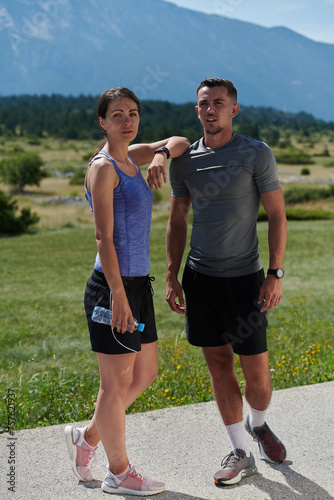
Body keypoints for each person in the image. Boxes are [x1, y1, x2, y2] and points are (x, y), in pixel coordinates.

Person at [64, 87, 190, 496]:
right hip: (112, 287)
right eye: (117, 115)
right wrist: (117, 295)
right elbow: (104, 238)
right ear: (102, 122)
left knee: (146, 372)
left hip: (139, 286)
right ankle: (118, 474)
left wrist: (159, 155)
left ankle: (87, 439)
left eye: (132, 113)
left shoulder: (132, 156)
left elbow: (181, 141)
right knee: (114, 384)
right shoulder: (104, 168)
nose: (126, 120)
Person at [164, 78, 287, 487]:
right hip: (200, 279)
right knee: (219, 368)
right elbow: (178, 219)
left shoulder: (255, 153)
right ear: (196, 110)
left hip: (245, 281)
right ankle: (240, 452)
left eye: (218, 103)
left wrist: (275, 273)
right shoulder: (185, 161)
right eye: (203, 104)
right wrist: (171, 273)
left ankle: (259, 423)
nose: (210, 109)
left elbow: (277, 215)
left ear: (234, 109)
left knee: (259, 379)